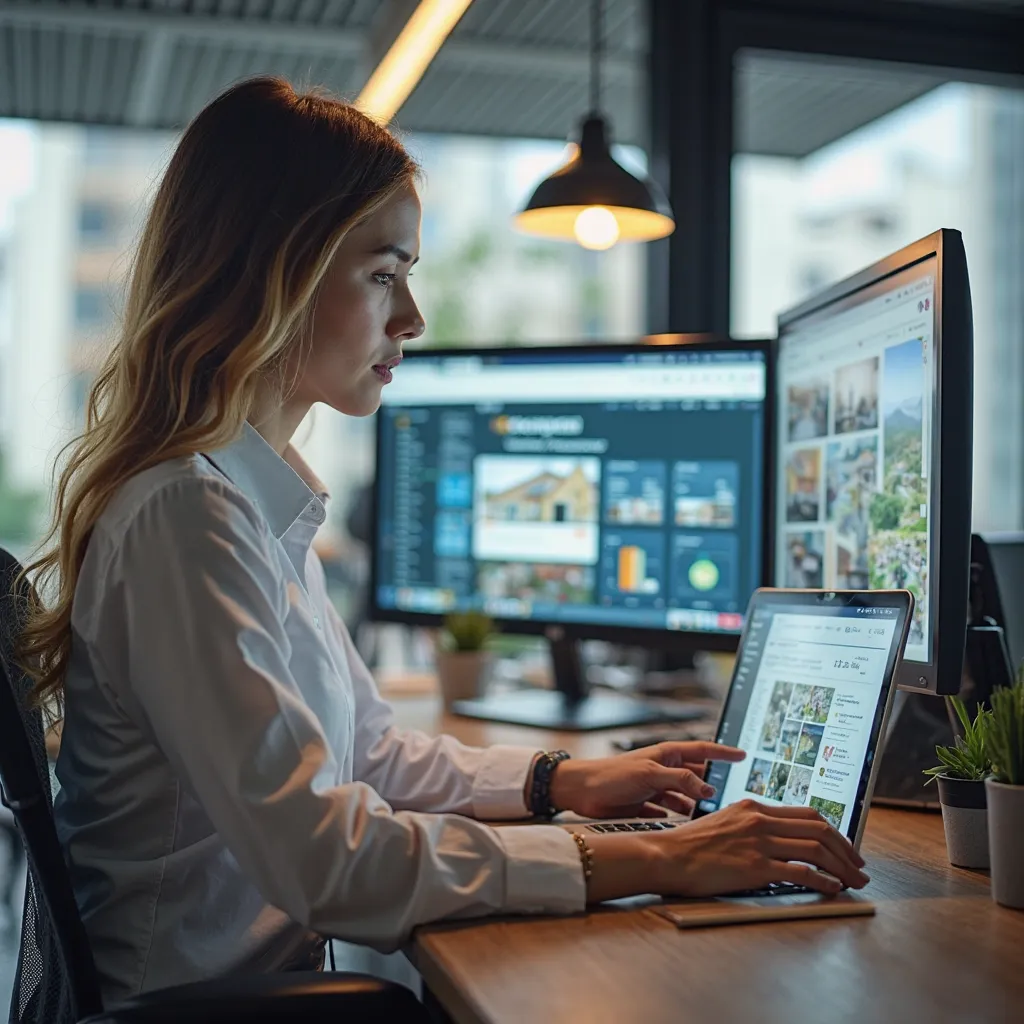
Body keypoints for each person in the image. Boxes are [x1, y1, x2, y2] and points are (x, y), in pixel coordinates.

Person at [15, 78, 867, 1006]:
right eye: (384, 274)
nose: (412, 317)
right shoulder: (187, 518)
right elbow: (325, 860)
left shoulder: (250, 505)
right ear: (274, 272)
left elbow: (371, 754)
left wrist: (564, 780)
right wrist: (659, 857)